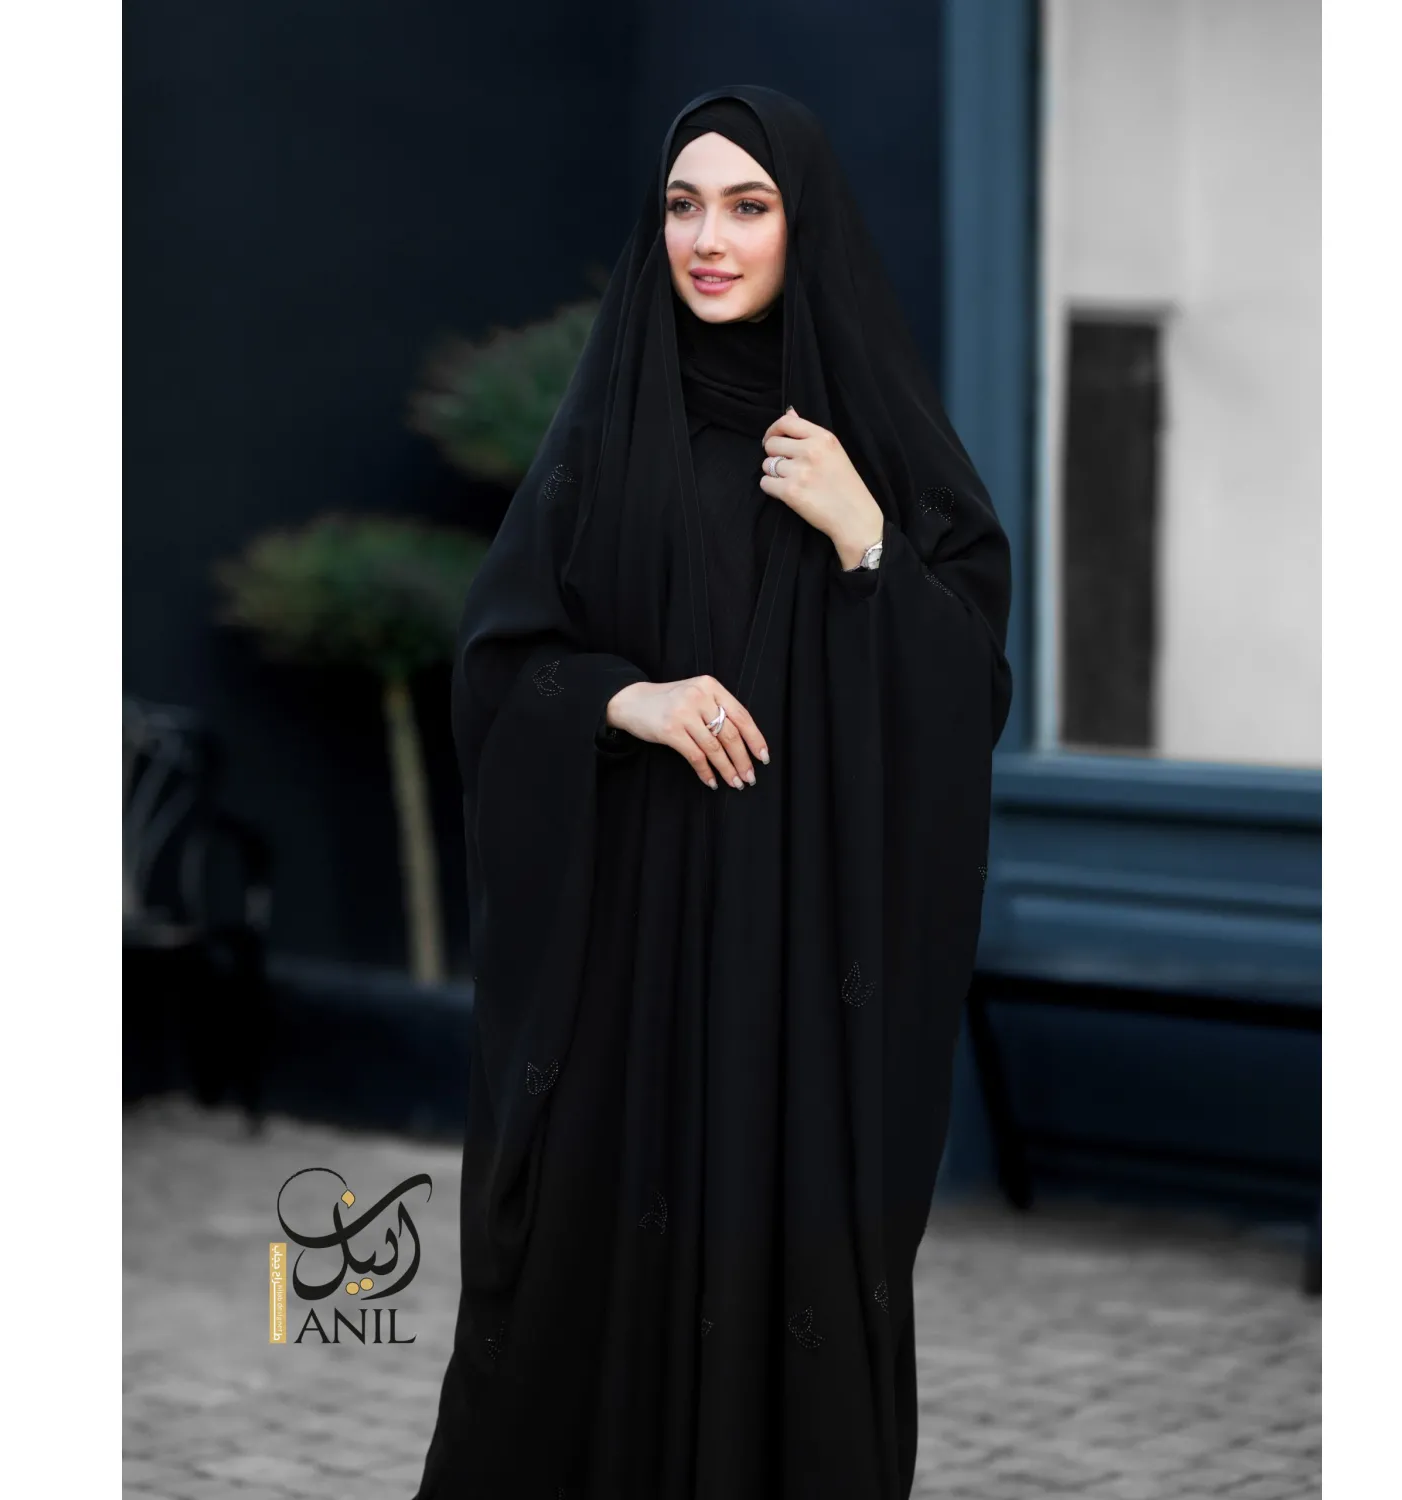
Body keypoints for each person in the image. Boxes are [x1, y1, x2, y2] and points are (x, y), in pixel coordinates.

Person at [411, 84, 1013, 1500]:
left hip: (805, 973)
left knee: (785, 1281)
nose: (708, 238)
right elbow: (501, 662)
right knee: (579, 1311)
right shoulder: (607, 439)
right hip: (625, 970)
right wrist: (626, 700)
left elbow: (965, 700)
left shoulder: (881, 452)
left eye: (748, 206)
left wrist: (867, 545)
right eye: (683, 205)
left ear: (806, 227)